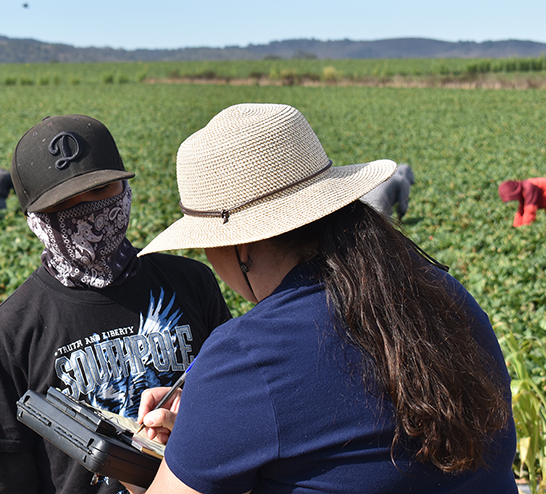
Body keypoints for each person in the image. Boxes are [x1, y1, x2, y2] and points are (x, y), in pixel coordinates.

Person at [130, 103, 516, 493]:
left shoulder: (247, 358)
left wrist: (147, 458)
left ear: (241, 246)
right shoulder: (445, 294)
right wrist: (212, 430)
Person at [0, 115, 232, 494]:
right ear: (35, 219)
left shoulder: (191, 282)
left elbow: (238, 401)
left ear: (124, 186)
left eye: (101, 189)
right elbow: (2, 476)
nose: (89, 211)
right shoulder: (9, 331)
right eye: (64, 202)